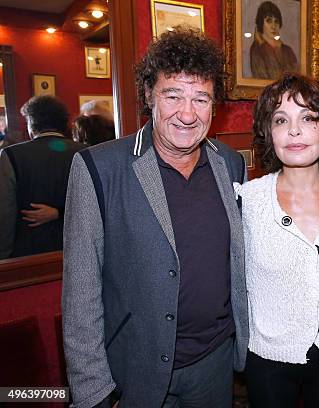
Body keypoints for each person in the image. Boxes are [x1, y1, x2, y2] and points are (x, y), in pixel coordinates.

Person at [62, 28, 247, 407]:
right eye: (173, 95)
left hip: (215, 365)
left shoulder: (231, 164)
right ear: (149, 95)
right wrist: (93, 392)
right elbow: (80, 295)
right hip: (135, 370)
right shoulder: (98, 168)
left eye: (201, 98)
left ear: (215, 105)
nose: (187, 113)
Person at [239, 73, 319, 407]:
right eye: (281, 120)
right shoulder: (246, 201)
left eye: (308, 117)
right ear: (268, 132)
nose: (294, 131)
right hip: (268, 362)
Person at [0, 95, 84, 259]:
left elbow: (5, 213)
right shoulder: (86, 151)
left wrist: (3, 257)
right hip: (77, 248)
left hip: (28, 252)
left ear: (31, 124)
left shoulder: (11, 155)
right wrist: (59, 212)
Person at [250, 1, 298, 80]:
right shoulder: (257, 49)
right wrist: (263, 45)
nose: (273, 26)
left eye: (276, 21)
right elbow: (269, 78)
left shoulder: (288, 50)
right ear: (261, 23)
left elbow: (296, 79)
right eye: (269, 21)